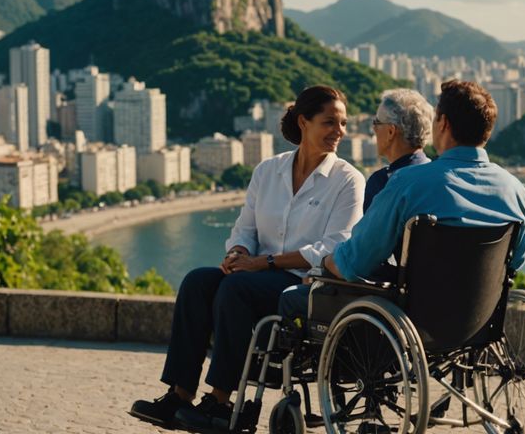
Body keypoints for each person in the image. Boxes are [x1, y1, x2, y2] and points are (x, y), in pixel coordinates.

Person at [130, 85, 365, 430]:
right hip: (255, 274)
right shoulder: (268, 171)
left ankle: (223, 403)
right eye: (330, 122)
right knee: (198, 281)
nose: (339, 131)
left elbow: (335, 246)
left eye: (343, 123)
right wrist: (238, 252)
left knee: (236, 289)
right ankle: (179, 395)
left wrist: (263, 263)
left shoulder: (348, 180)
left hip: (302, 283)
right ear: (304, 122)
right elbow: (245, 229)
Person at [320, 79, 525, 286]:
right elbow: (514, 262)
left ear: (443, 123)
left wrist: (324, 262)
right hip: (480, 316)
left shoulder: (408, 183)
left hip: (416, 313)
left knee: (294, 299)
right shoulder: (517, 192)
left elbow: (355, 262)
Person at [278, 88, 434, 318]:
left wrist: (322, 268)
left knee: (292, 296)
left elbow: (362, 256)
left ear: (391, 132)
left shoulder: (387, 182)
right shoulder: (437, 177)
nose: (373, 129)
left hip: (396, 300)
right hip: (442, 301)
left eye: (375, 123)